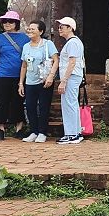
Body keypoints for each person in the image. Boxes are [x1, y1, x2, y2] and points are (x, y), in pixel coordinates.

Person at [0, 10, 30, 140]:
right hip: (3, 74)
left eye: (10, 21)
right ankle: (0, 128)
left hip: (19, 75)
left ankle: (19, 128)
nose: (7, 24)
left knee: (18, 102)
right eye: (5, 22)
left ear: (16, 23)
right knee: (1, 102)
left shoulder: (25, 38)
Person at [18, 20, 58, 144]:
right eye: (29, 29)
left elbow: (56, 60)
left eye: (33, 29)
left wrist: (51, 76)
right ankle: (34, 131)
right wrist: (21, 83)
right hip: (30, 81)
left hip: (44, 80)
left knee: (44, 107)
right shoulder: (26, 46)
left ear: (40, 31)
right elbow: (24, 66)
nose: (30, 31)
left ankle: (42, 132)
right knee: (30, 107)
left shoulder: (48, 44)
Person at [55, 16, 85, 144]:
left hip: (71, 77)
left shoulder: (72, 42)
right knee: (71, 103)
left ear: (70, 28)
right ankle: (76, 132)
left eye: (62, 27)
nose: (59, 29)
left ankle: (71, 133)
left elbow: (72, 62)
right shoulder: (74, 42)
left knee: (69, 104)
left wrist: (64, 81)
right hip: (73, 76)